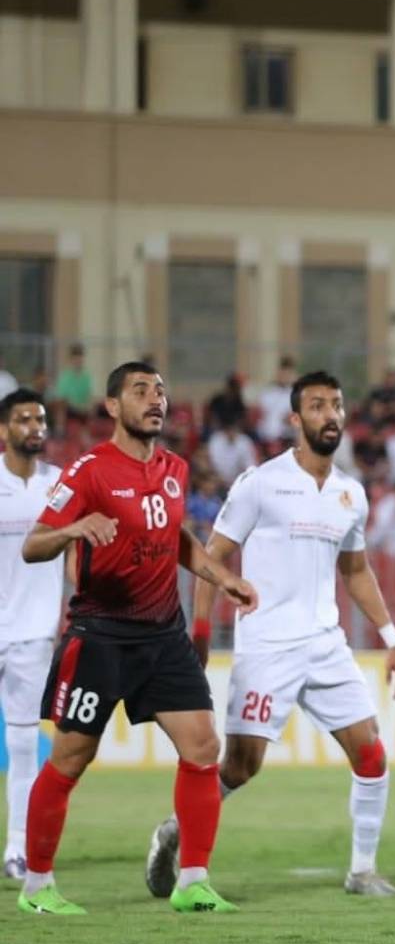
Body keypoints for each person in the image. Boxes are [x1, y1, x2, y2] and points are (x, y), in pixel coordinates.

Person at [147, 370, 395, 900]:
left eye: (335, 405)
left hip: (325, 644)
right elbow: (211, 559)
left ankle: (362, 871)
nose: (329, 415)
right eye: (316, 406)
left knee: (372, 754)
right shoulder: (260, 483)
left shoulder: (349, 495)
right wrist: (200, 631)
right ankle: (173, 832)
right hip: (267, 645)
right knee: (242, 768)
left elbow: (354, 571)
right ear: (295, 419)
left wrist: (391, 636)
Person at [17, 361, 258, 914]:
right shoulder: (88, 471)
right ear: (112, 407)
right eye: (140, 391)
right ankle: (37, 887)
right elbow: (34, 545)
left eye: (161, 391)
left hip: (162, 634)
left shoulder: (174, 468)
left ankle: (192, 879)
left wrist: (224, 578)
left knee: (202, 747)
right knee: (72, 758)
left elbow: (175, 536)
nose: (156, 399)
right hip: (100, 636)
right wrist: (75, 529)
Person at [0, 391, 63, 880]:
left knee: (23, 746)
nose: (34, 426)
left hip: (33, 636)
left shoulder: (60, 487)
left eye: (39, 419)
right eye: (23, 419)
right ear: (4, 431)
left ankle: (17, 847)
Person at [253, 357, 297, 446]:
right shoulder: (267, 393)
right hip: (265, 438)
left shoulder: (294, 394)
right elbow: (259, 415)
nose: (284, 376)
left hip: (286, 438)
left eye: (288, 373)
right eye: (282, 373)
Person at [205, 417, 260, 484]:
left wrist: (240, 480)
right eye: (229, 430)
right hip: (217, 481)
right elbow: (211, 462)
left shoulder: (245, 441)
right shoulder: (215, 440)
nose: (231, 432)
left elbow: (250, 466)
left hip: (239, 481)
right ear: (225, 430)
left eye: (234, 429)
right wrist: (219, 479)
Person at [52, 346, 93, 429]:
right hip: (70, 409)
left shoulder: (86, 377)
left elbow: (89, 396)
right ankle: (60, 430)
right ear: (71, 359)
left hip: (83, 409)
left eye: (80, 359)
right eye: (76, 359)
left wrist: (86, 406)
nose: (78, 361)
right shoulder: (65, 376)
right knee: (61, 406)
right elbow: (62, 397)